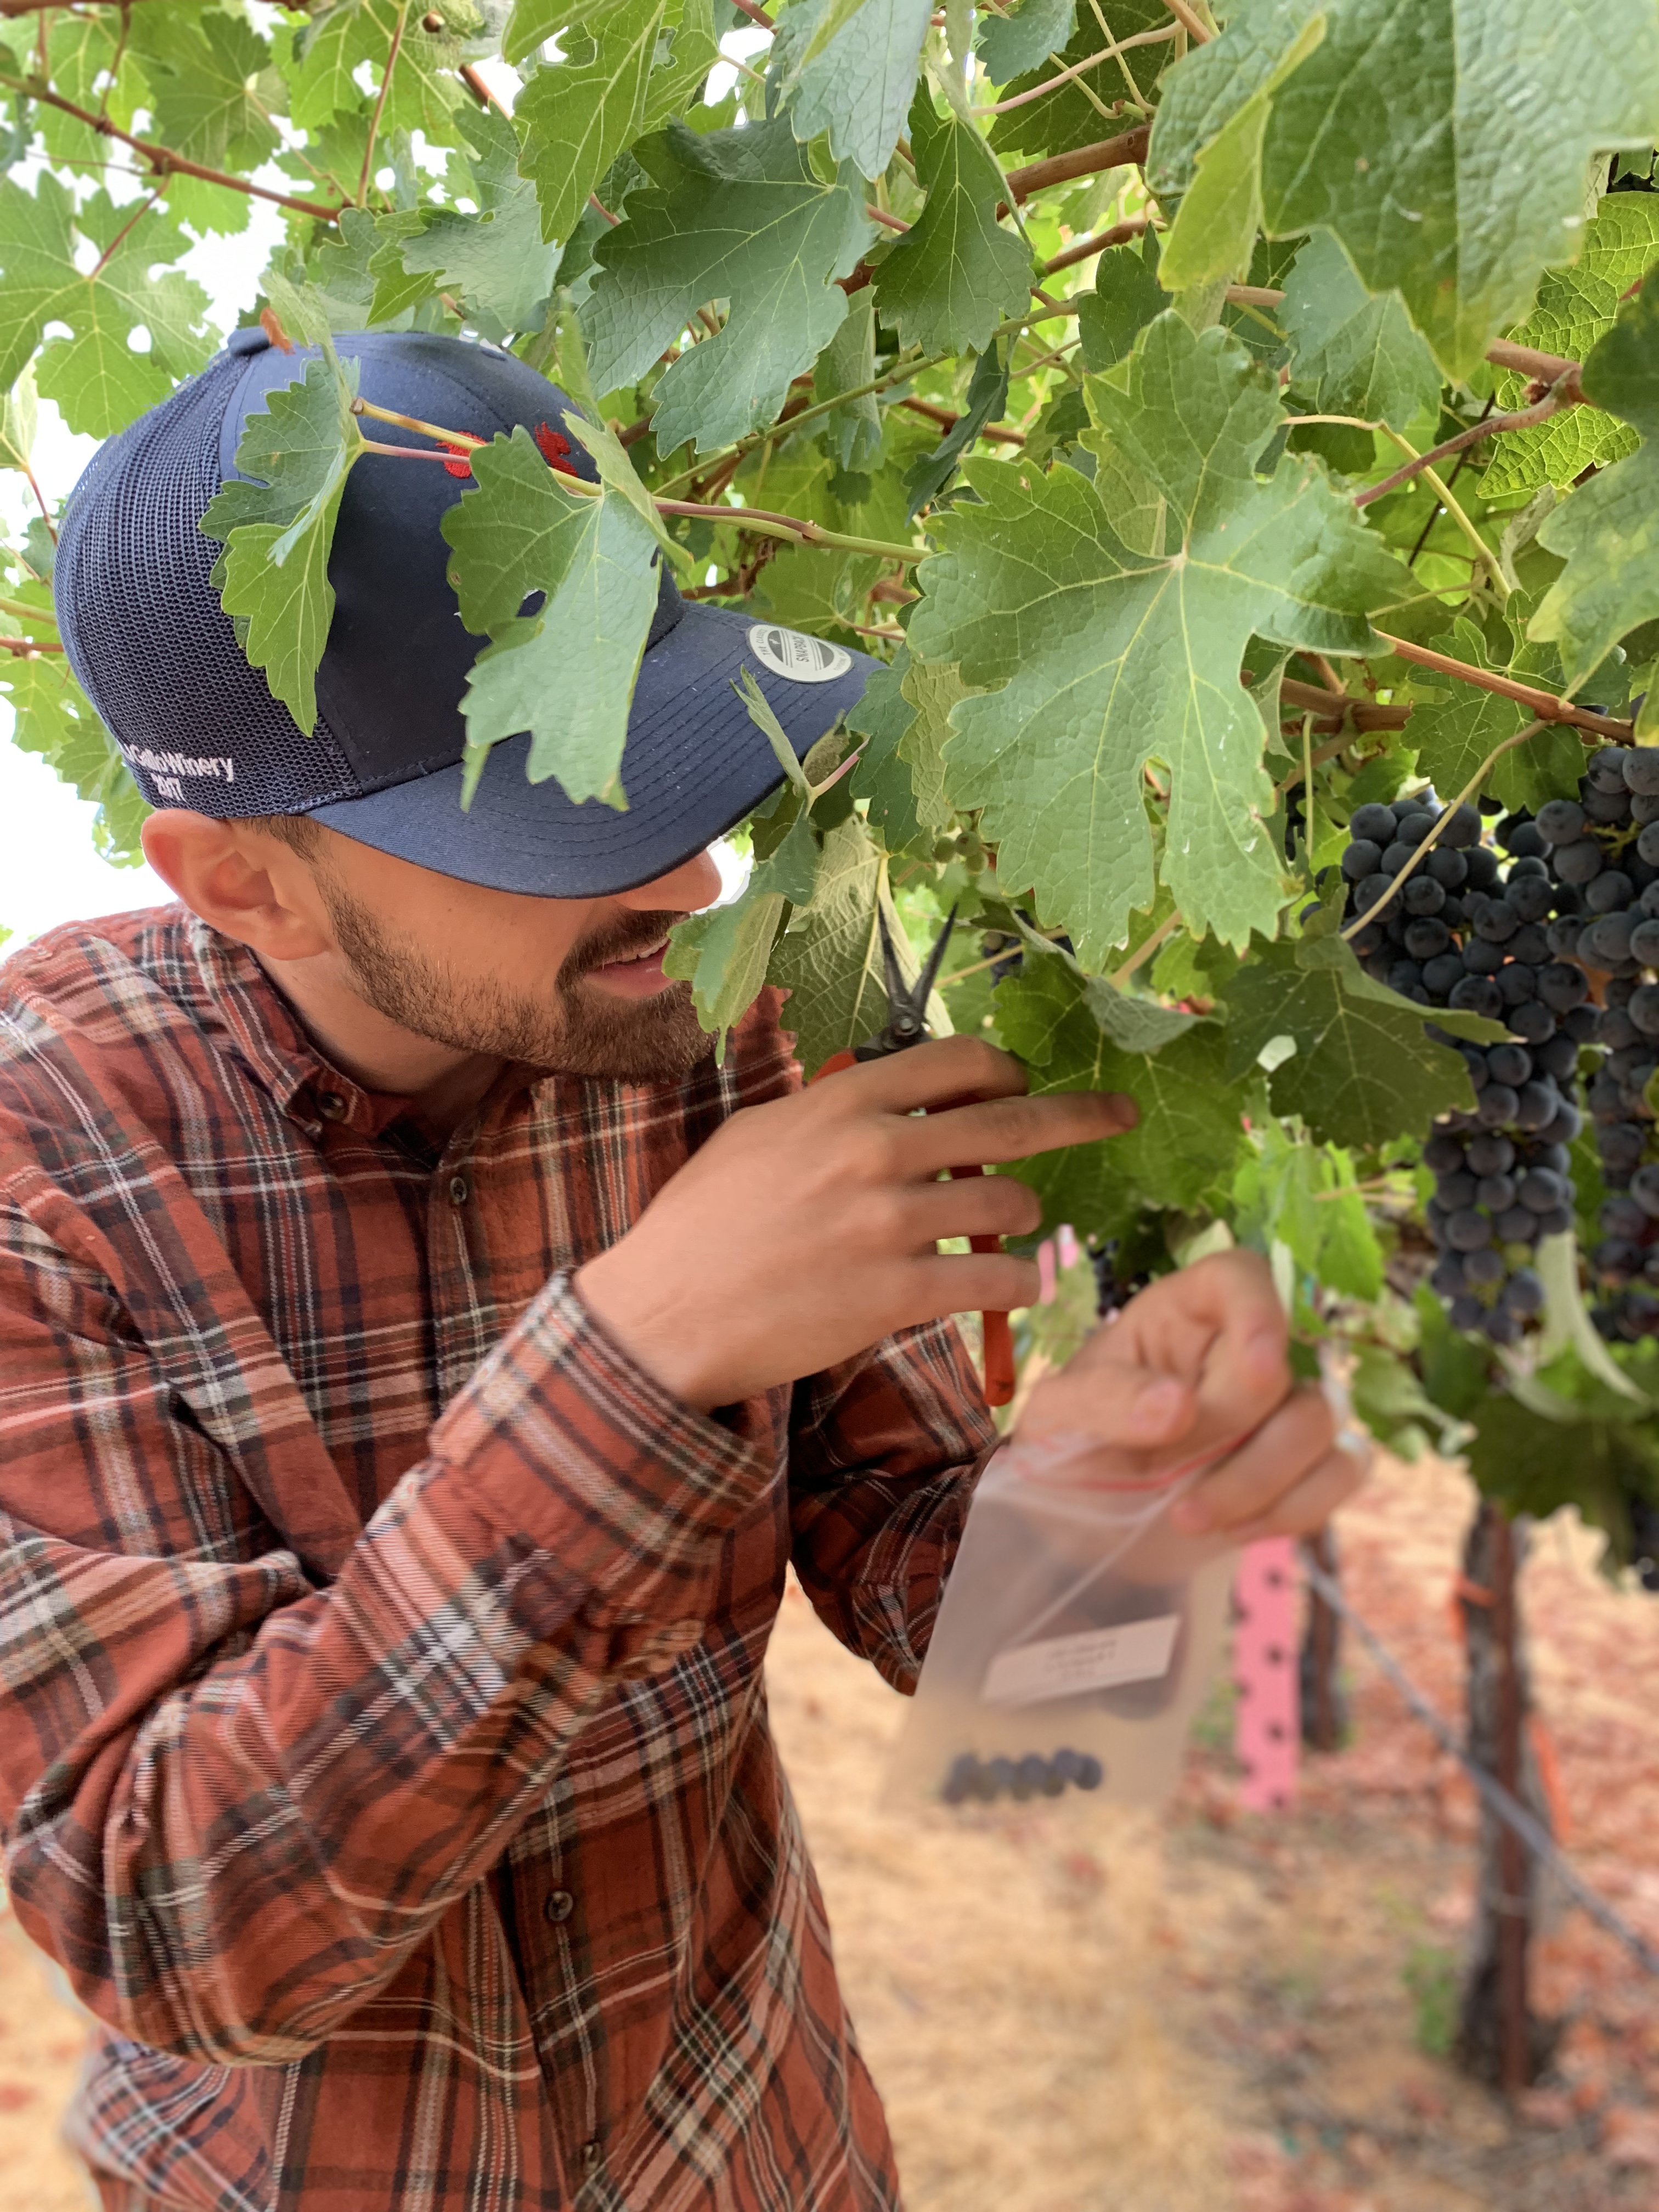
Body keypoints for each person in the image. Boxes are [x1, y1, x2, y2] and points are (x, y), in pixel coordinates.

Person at [0, 329, 1363, 2212]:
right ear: (244, 882)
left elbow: (998, 1664)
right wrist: (626, 1364)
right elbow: (172, 1926)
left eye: (675, 751)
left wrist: (1122, 1516)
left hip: (767, 2150)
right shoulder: (37, 1169)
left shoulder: (737, 1004)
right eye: (557, 805)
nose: (698, 884)